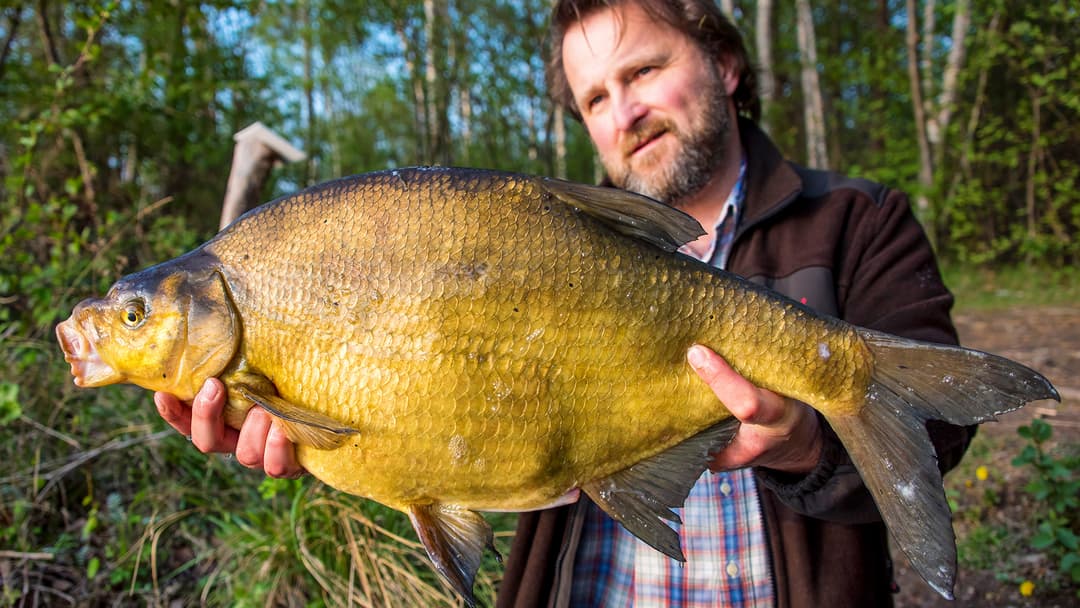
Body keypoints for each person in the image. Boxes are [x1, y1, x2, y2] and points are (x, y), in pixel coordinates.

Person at [155, 0, 974, 605]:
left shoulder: (859, 223)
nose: (625, 113)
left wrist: (802, 443)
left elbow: (940, 436)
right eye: (594, 99)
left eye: (644, 70)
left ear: (724, 64)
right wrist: (348, 439)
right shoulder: (538, 243)